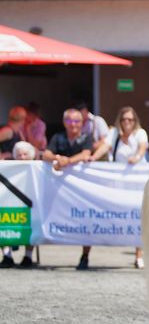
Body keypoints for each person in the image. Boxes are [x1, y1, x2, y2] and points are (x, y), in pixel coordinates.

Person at [88, 107, 149, 269]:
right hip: (119, 182)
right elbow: (105, 146)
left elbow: (142, 148)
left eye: (130, 120)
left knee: (138, 214)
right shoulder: (114, 133)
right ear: (120, 121)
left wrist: (136, 157)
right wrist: (93, 157)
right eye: (124, 119)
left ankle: (139, 254)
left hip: (137, 181)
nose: (127, 123)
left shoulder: (140, 133)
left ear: (135, 121)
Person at [42, 108, 94, 269]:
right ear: (64, 122)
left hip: (82, 189)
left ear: (82, 123)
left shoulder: (86, 137)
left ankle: (85, 255)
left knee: (87, 219)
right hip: (60, 190)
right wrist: (57, 158)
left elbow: (86, 154)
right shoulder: (58, 137)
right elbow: (46, 154)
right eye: (70, 121)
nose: (73, 124)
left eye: (77, 121)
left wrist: (67, 161)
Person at [0, 141, 38, 268]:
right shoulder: (8, 167)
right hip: (10, 203)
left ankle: (28, 256)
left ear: (31, 155)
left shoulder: (37, 168)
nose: (22, 157)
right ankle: (7, 255)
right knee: (3, 221)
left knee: (33, 223)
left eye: (25, 154)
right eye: (19, 155)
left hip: (30, 204)